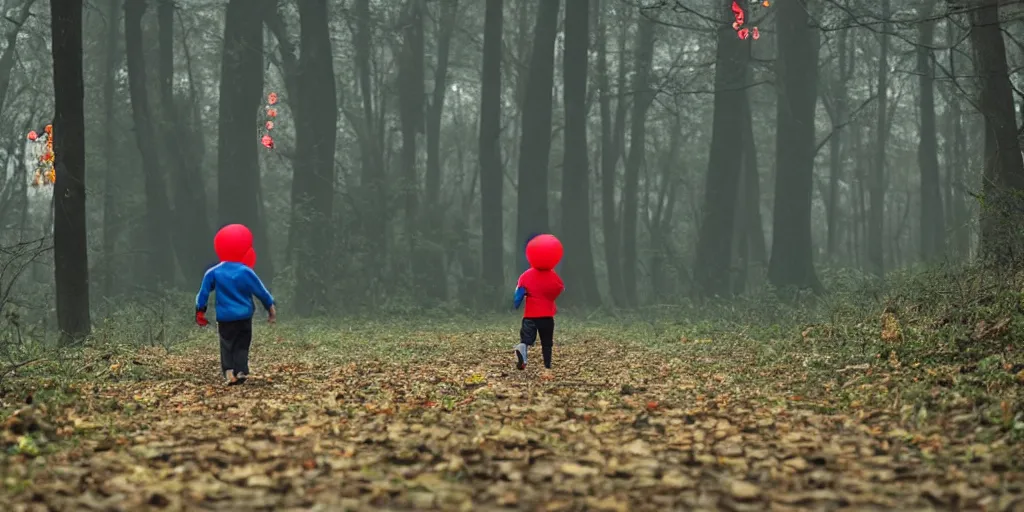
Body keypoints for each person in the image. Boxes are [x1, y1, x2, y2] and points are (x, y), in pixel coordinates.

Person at [195, 261, 276, 385]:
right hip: (244, 315)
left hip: (225, 316)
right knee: (242, 344)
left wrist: (200, 310)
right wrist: (270, 309)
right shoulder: (245, 271)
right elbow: (261, 291)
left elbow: (204, 292)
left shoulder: (214, 271)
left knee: (227, 344)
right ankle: (241, 371)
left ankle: (229, 373)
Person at [513, 234, 564, 371]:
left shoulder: (526, 275)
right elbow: (558, 289)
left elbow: (518, 293)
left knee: (527, 339)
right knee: (547, 343)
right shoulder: (553, 276)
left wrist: (516, 304)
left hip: (530, 315)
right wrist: (548, 298)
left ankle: (522, 349)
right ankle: (547, 367)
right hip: (547, 316)